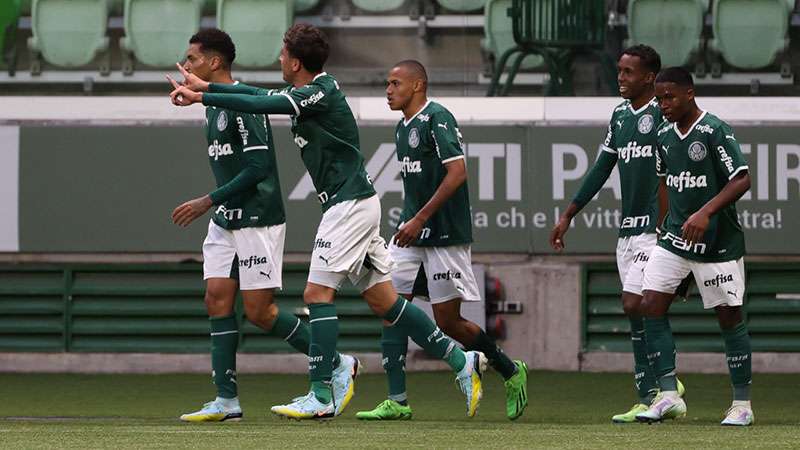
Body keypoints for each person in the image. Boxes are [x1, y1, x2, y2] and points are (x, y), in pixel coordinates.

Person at [168, 24, 487, 420]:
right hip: (352, 204)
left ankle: (322, 392)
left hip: (349, 205)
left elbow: (265, 104)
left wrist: (205, 93)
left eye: (283, 54)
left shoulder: (322, 90)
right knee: (384, 301)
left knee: (316, 294)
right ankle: (461, 360)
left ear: (297, 61)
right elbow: (260, 95)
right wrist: (205, 92)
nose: (279, 60)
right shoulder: (308, 91)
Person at [170, 29, 357, 422]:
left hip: (257, 215)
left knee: (260, 311)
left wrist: (208, 200)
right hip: (227, 218)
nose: (186, 65)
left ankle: (337, 362)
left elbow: (258, 168)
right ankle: (226, 400)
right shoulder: (217, 103)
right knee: (216, 298)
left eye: (193, 58)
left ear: (215, 61)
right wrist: (201, 94)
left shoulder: (244, 105)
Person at [355, 60, 528, 422]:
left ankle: (509, 370)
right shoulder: (402, 128)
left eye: (395, 83)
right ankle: (397, 400)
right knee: (389, 307)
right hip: (410, 235)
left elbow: (458, 173)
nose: (388, 89)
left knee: (448, 322)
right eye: (387, 83)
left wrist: (420, 218)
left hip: (445, 234)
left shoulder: (438, 118)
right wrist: (411, 219)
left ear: (418, 85)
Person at [549, 45, 686, 423]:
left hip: (657, 229)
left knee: (635, 303)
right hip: (627, 230)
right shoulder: (621, 115)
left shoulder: (667, 116)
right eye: (619, 71)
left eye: (628, 72)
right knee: (637, 312)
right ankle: (650, 395)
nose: (620, 78)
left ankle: (667, 383)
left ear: (649, 78)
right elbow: (601, 168)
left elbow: (681, 176)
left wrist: (673, 227)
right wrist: (569, 214)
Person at [635, 67, 753, 426]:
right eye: (658, 99)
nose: (663, 105)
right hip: (674, 239)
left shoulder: (714, 130)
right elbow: (666, 183)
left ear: (689, 93)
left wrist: (704, 212)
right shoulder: (663, 135)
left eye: (669, 97)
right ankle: (669, 395)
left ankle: (742, 404)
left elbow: (742, 179)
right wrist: (663, 226)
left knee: (728, 316)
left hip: (718, 242)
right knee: (649, 304)